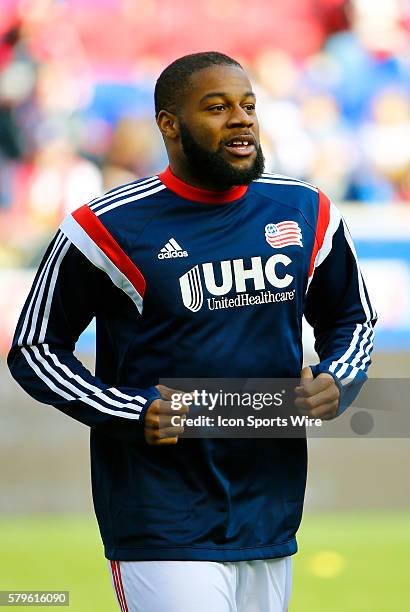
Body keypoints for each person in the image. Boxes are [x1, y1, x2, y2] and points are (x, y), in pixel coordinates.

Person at [8, 52, 376, 612]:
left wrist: (337, 376)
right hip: (159, 508)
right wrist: (132, 411)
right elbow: (34, 349)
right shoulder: (104, 227)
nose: (241, 119)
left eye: (248, 106)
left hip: (269, 505)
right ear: (169, 124)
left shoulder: (306, 211)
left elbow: (352, 318)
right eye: (217, 107)